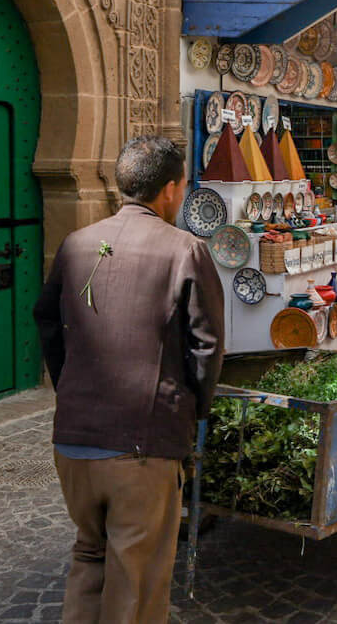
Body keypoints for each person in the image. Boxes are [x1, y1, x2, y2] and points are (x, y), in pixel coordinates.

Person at [34, 135, 225, 624]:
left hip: (74, 443)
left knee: (89, 556)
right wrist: (194, 413)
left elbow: (47, 322)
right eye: (182, 186)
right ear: (170, 189)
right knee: (136, 574)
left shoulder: (77, 244)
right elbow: (206, 346)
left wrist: (70, 387)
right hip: (143, 445)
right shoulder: (186, 250)